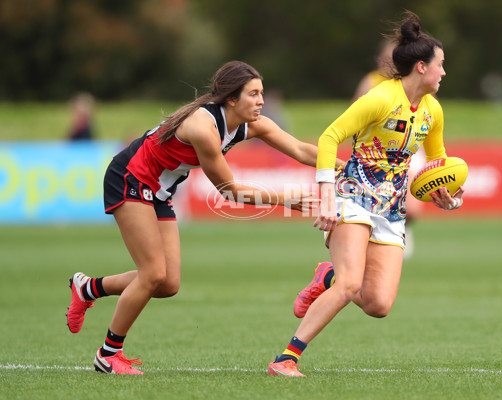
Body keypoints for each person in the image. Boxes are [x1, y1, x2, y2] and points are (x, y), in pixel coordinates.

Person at [65, 61, 341, 375]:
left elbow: (301, 150)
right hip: (129, 179)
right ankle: (108, 355)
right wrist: (285, 200)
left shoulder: (252, 123)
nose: (261, 101)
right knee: (153, 273)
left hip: (158, 191)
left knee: (167, 283)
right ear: (232, 99)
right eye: (253, 94)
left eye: (261, 93)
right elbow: (229, 190)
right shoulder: (203, 127)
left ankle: (88, 289)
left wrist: (346, 167)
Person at [268, 11, 465, 377]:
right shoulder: (379, 97)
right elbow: (330, 137)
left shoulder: (433, 111)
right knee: (349, 285)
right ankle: (286, 359)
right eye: (441, 65)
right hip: (352, 195)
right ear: (421, 67)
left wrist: (447, 194)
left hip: (391, 207)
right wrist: (327, 197)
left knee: (378, 304)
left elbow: (437, 163)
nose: (444, 72)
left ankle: (325, 277)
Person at [354, 37, 425, 259]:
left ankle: (403, 229)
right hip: (378, 152)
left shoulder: (416, 82)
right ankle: (380, 240)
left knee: (412, 209)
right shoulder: (371, 82)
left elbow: (427, 114)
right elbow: (356, 116)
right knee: (377, 206)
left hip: (410, 149)